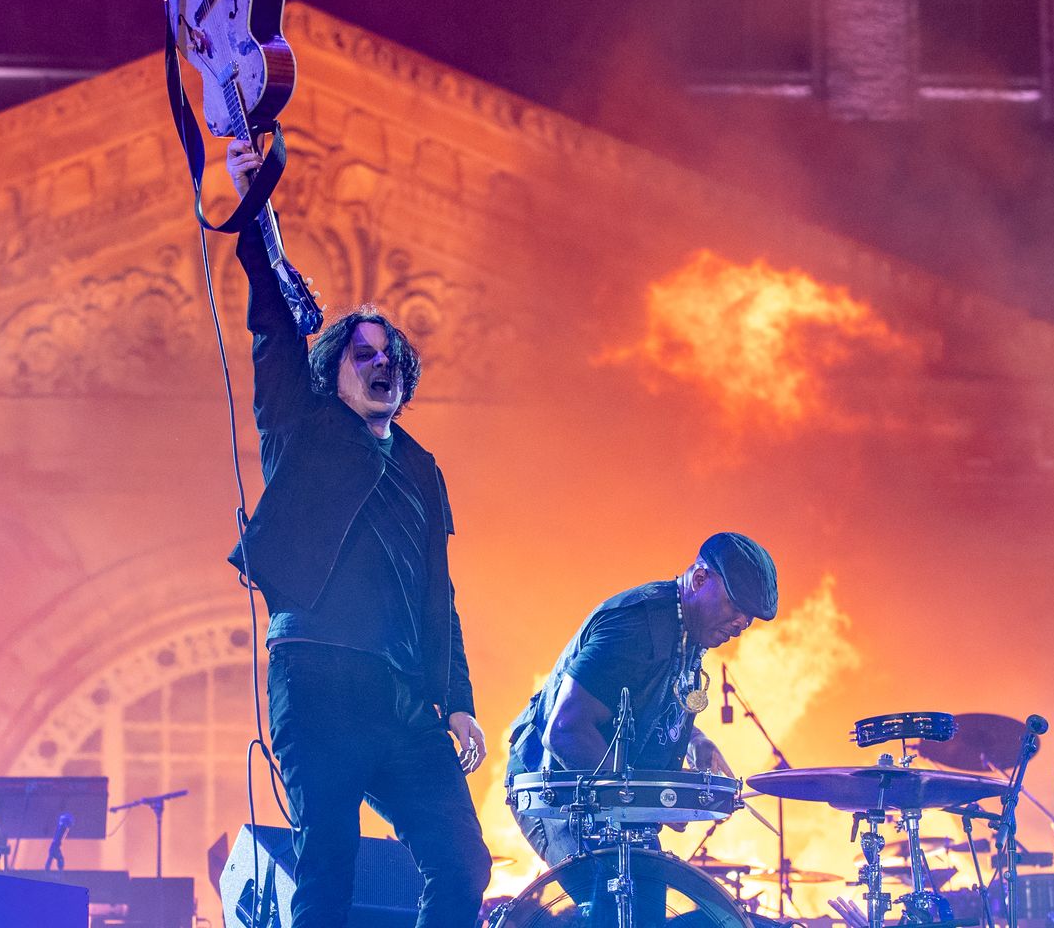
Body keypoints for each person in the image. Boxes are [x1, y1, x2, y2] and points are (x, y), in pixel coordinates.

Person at [223, 137, 491, 928]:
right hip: (317, 680)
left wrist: (459, 702)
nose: (381, 364)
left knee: (463, 859)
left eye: (392, 357)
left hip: (403, 696)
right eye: (363, 353)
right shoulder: (303, 431)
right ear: (335, 370)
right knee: (329, 861)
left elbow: (438, 595)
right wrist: (253, 205)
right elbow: (275, 330)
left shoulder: (421, 466)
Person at [506, 532, 779, 866]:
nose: (743, 623)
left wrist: (696, 739)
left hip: (605, 790)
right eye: (736, 606)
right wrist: (650, 801)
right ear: (699, 578)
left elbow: (641, 703)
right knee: (610, 895)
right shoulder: (634, 628)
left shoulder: (688, 629)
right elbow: (565, 732)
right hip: (552, 783)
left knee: (646, 897)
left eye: (750, 616)